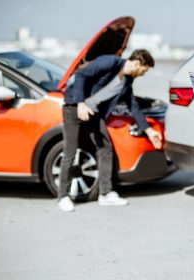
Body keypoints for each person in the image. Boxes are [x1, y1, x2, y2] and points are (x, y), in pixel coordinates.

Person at [57, 49, 162, 212]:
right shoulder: (110, 62)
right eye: (144, 70)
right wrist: (80, 103)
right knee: (70, 150)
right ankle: (63, 196)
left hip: (93, 112)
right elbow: (81, 74)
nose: (143, 74)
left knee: (105, 148)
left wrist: (148, 130)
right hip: (73, 107)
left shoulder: (127, 81)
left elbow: (133, 106)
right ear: (137, 64)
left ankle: (105, 194)